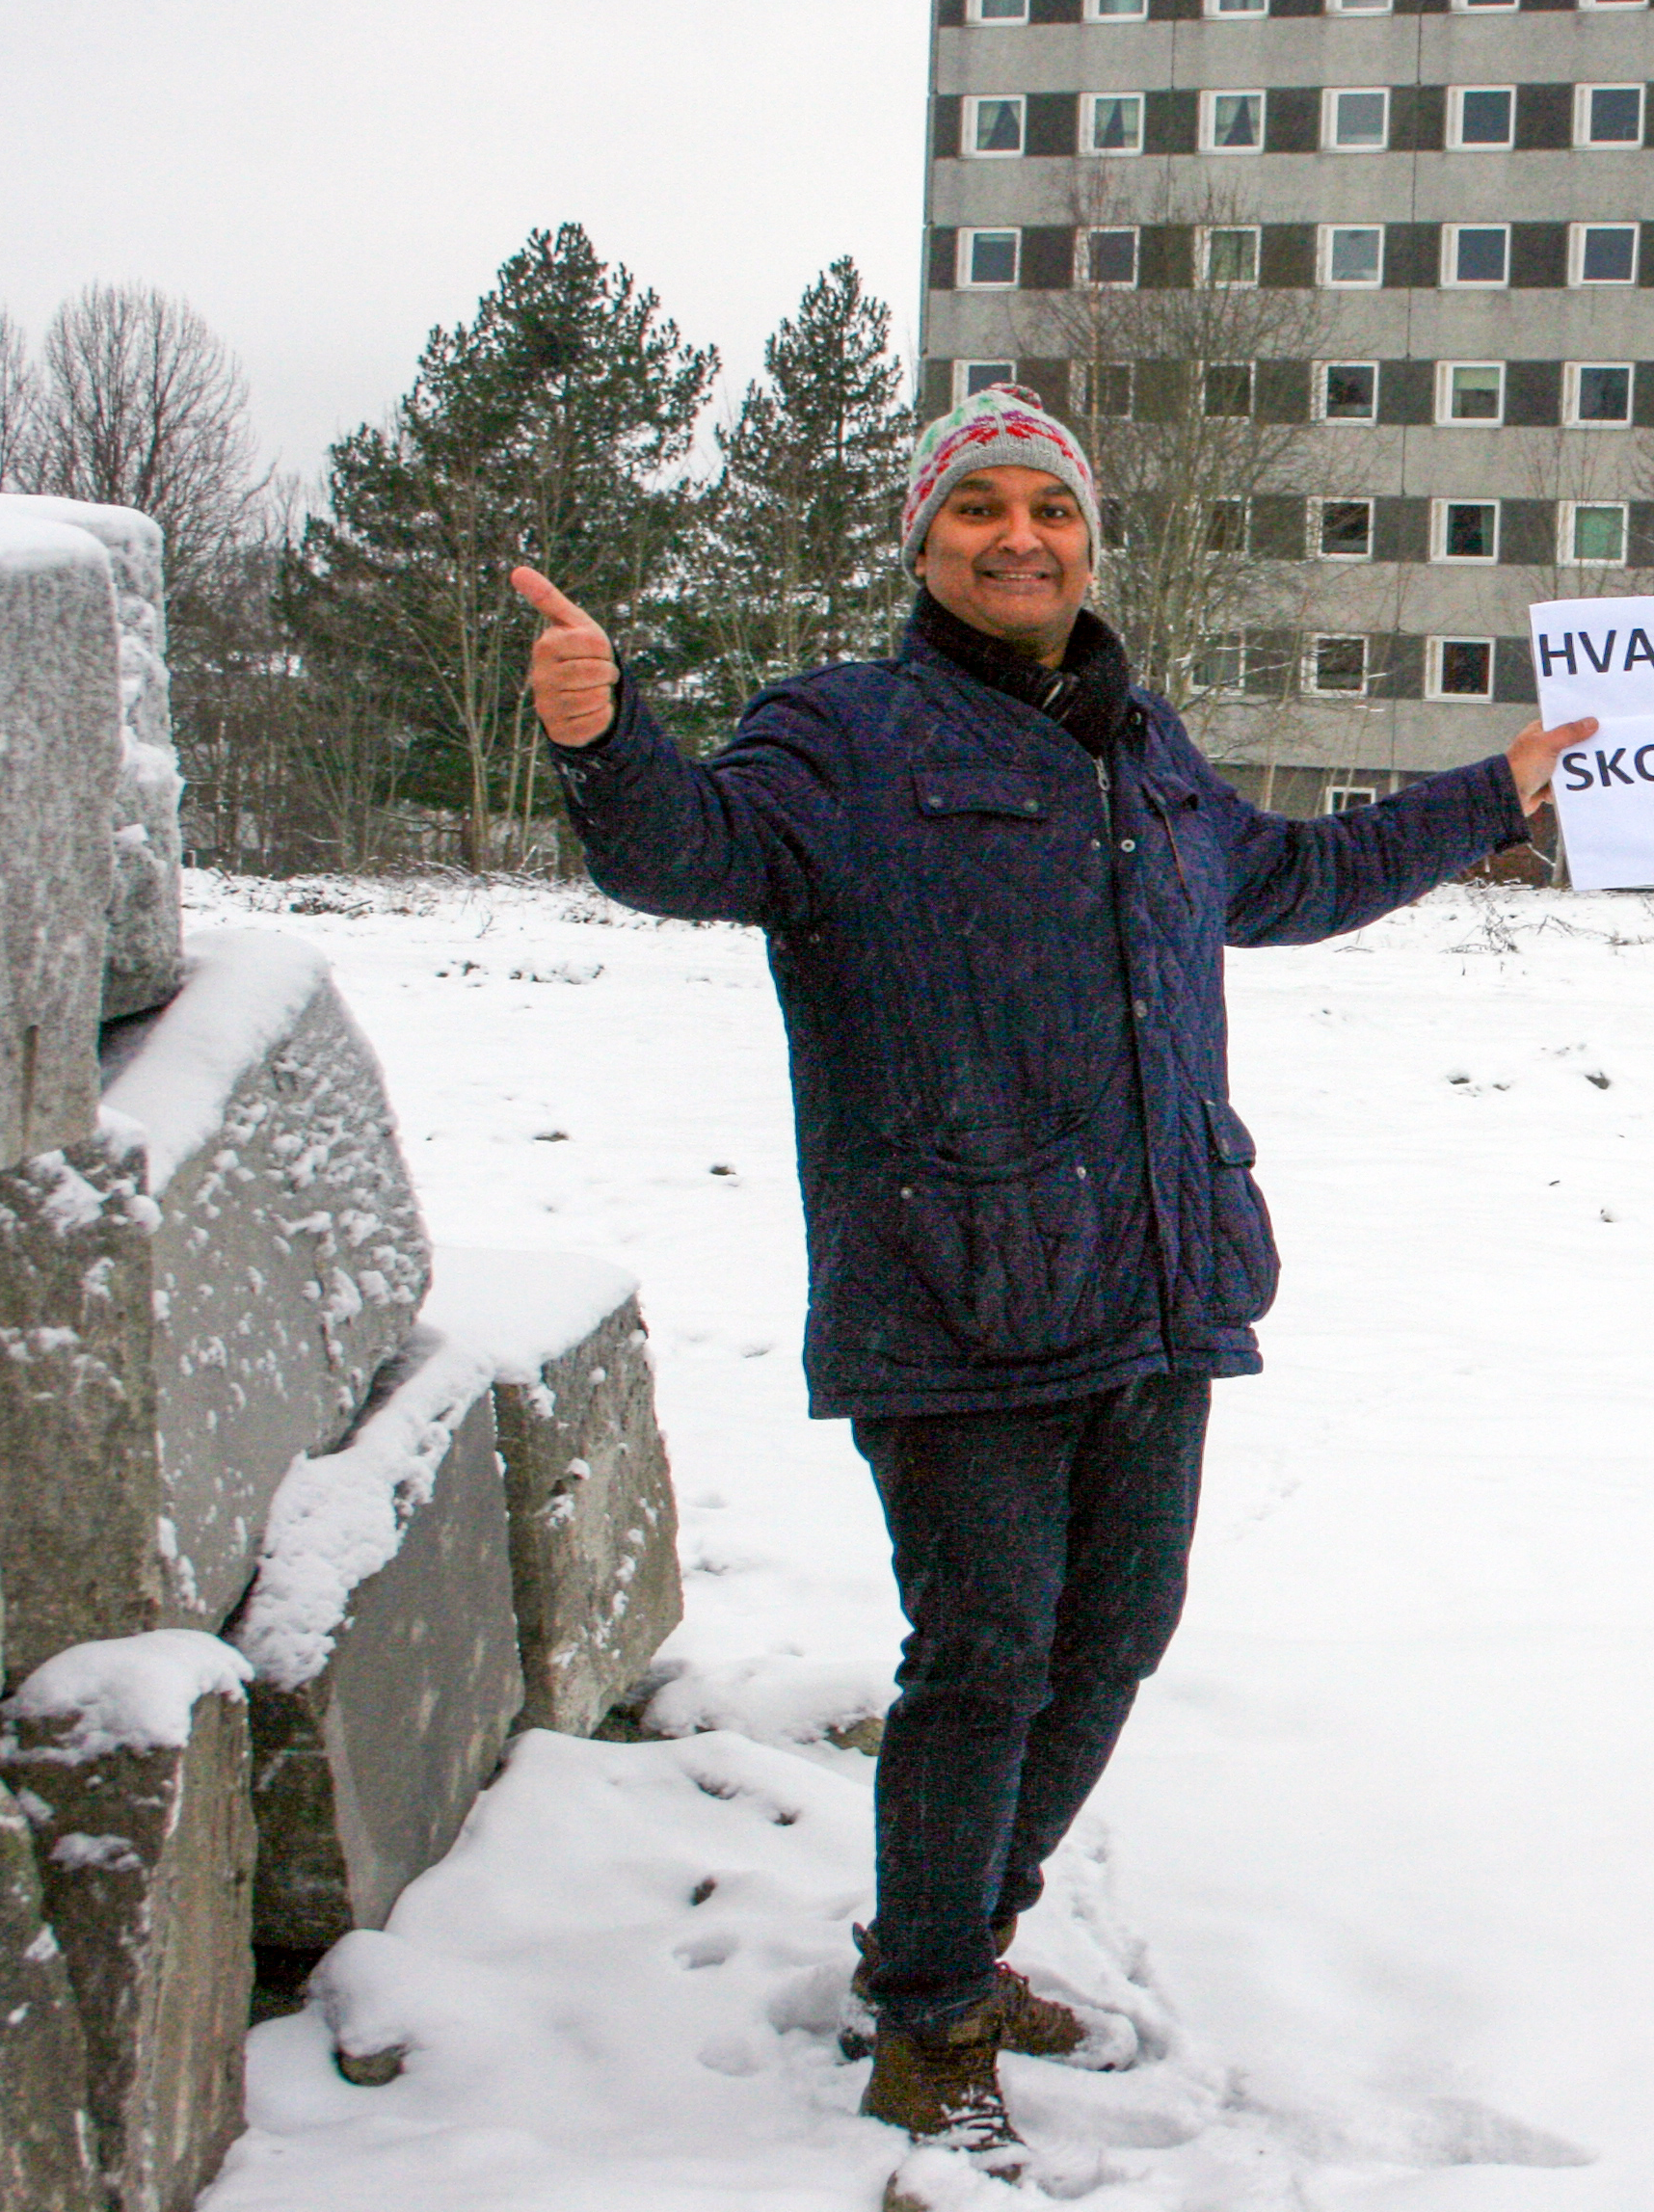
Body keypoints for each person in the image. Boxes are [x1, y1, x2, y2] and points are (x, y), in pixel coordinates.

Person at [510, 386, 1592, 2179]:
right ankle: (926, 2021)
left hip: (1157, 1281)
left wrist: (1497, 794)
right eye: (980, 510)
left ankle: (959, 1940)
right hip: (956, 1290)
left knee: (1116, 1634)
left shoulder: (1144, 748)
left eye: (1053, 510)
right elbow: (682, 851)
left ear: (1091, 540)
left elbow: (1298, 879)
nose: (1023, 536)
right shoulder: (844, 738)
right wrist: (603, 732)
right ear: (924, 546)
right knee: (987, 1653)